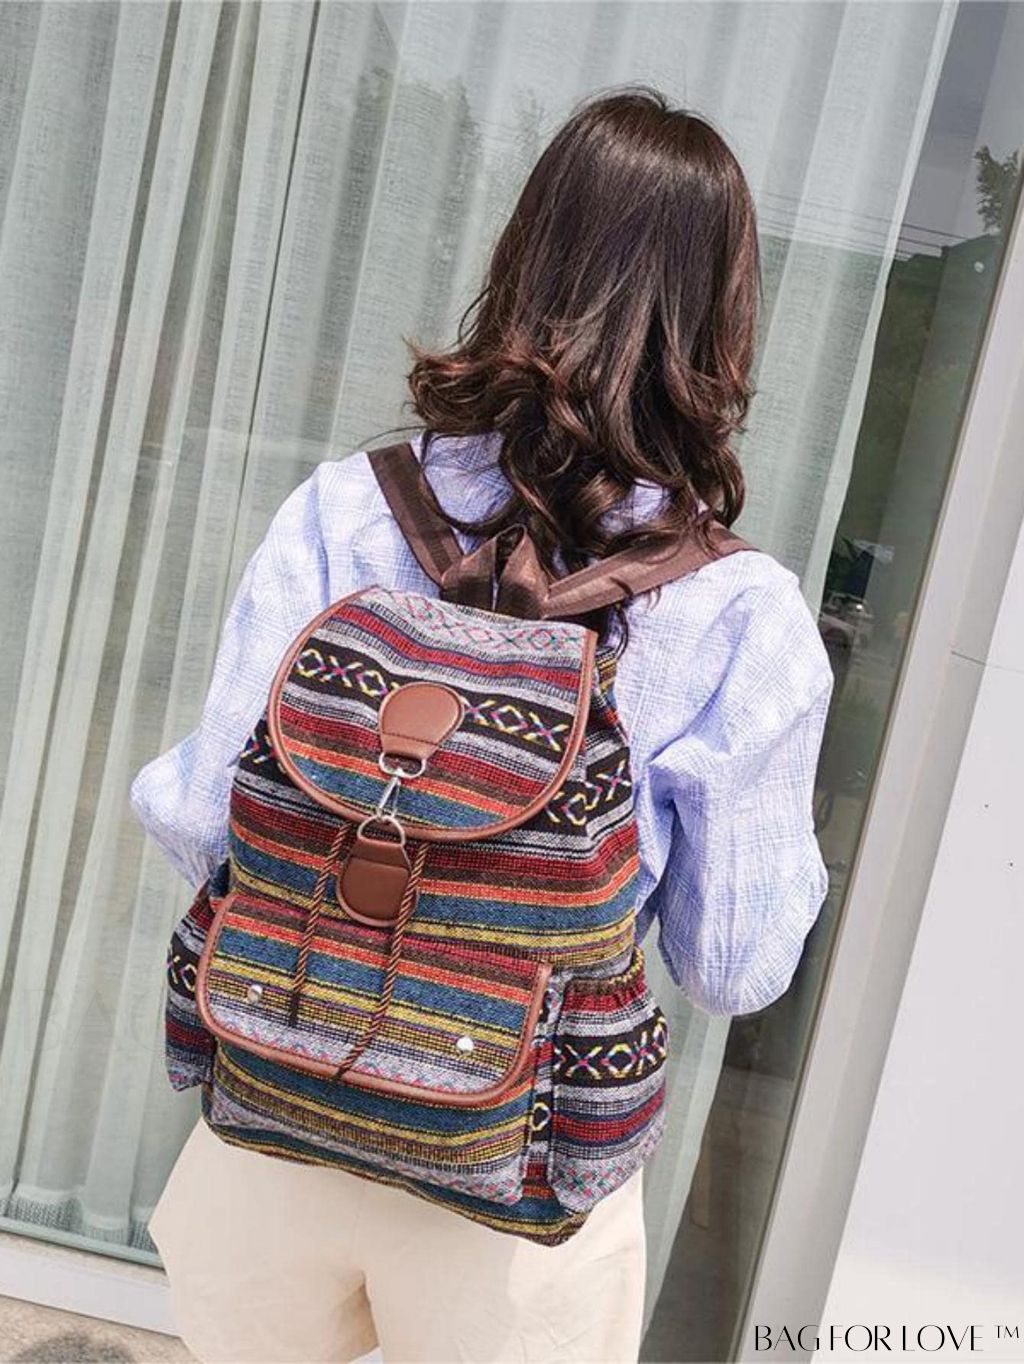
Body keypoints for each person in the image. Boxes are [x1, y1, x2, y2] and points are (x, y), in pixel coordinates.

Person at [131, 86, 833, 1364]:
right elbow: (732, 966)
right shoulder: (741, 611)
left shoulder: (346, 507)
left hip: (280, 1099)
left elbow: (200, 814)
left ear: (522, 263)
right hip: (522, 1181)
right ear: (723, 321)